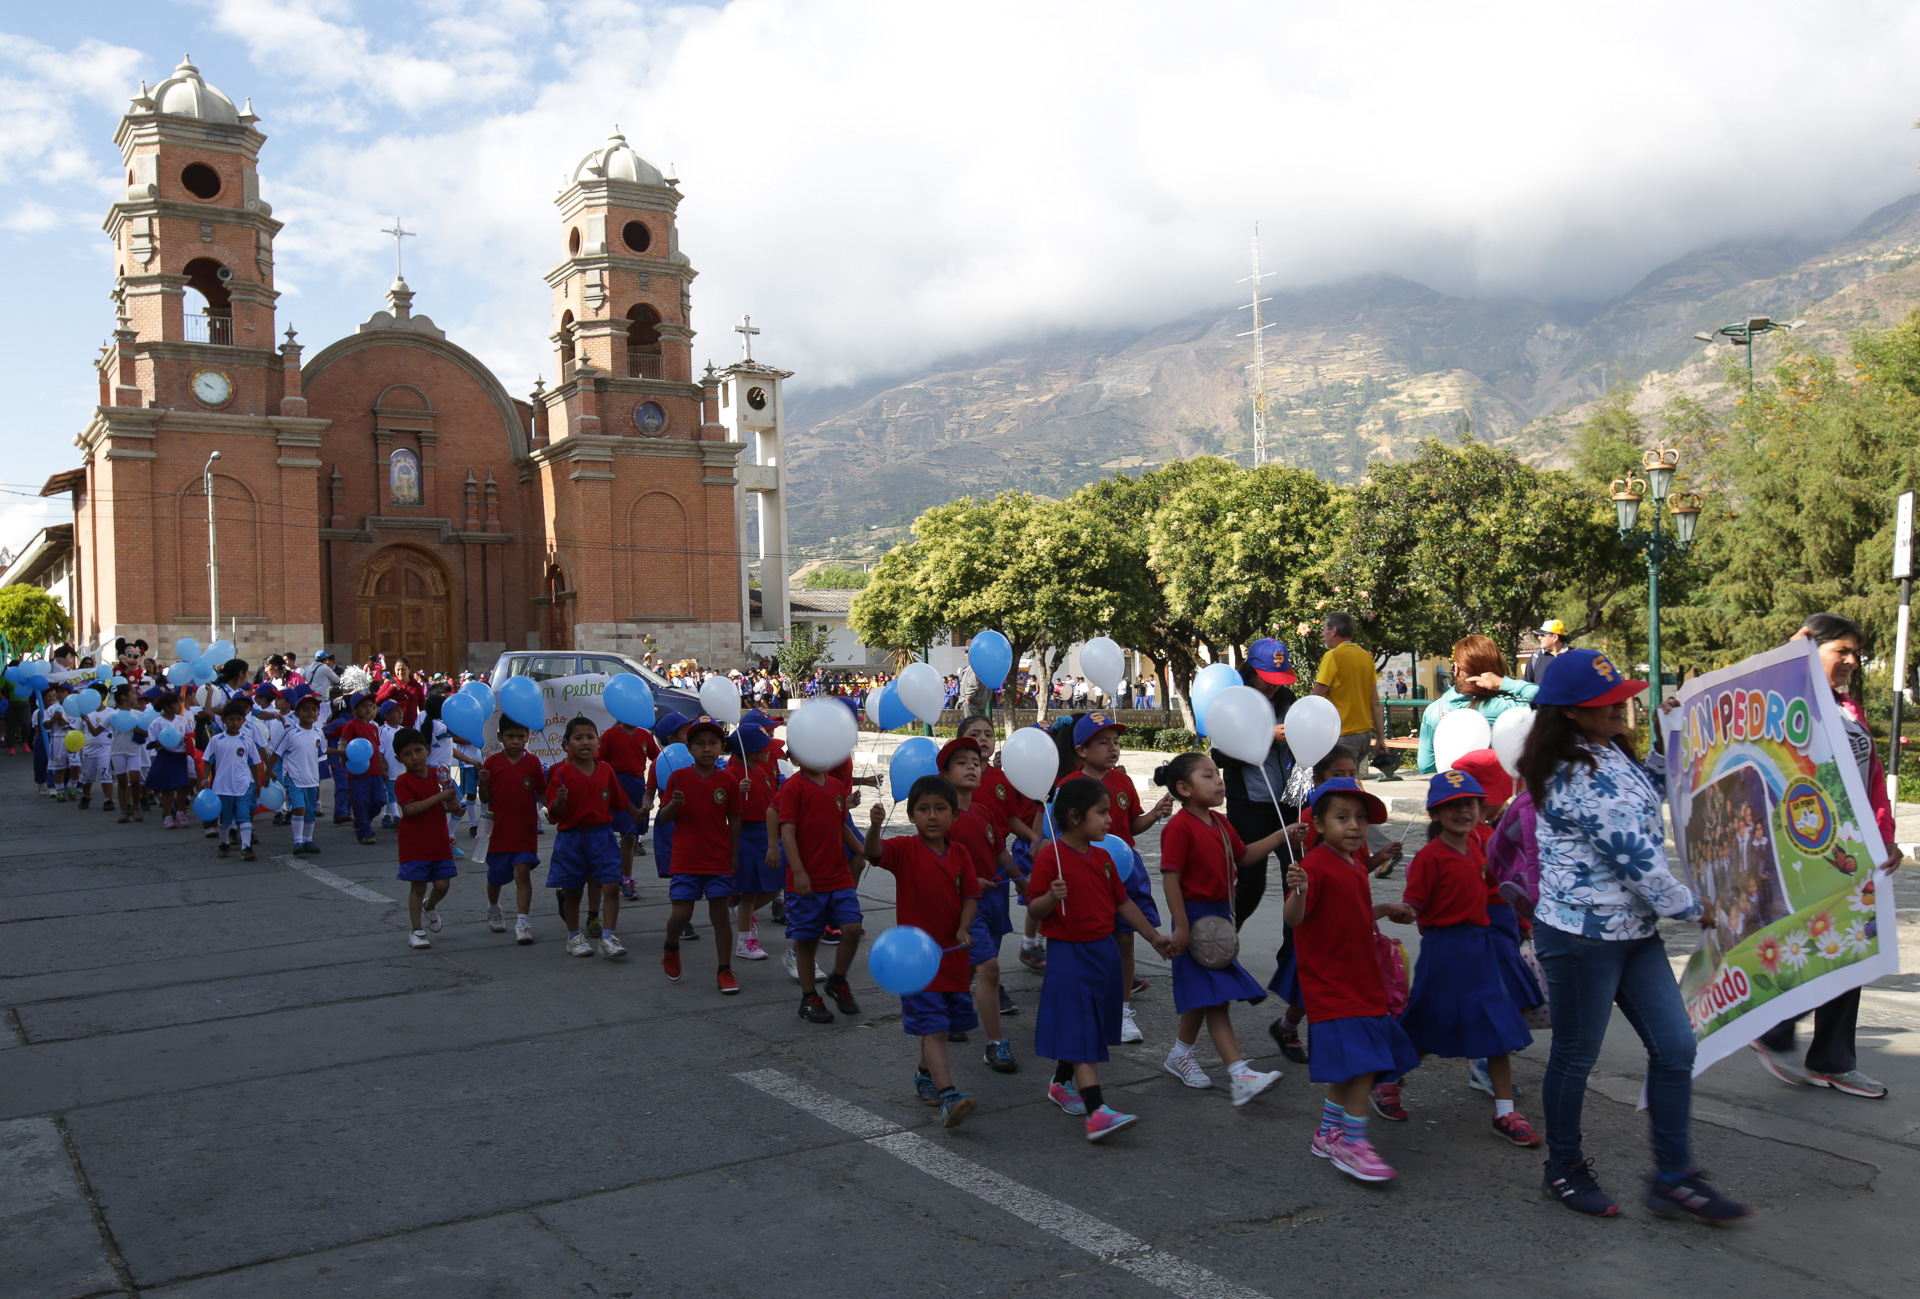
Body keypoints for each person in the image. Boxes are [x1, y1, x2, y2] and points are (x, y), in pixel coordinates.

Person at [1517, 648, 1748, 1221]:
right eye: (1607, 701)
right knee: (1575, 1057)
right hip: (1581, 939)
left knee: (1675, 1049)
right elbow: (1636, 863)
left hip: (1633, 933)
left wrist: (1669, 739)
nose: (1623, 704)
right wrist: (1697, 907)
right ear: (1570, 712)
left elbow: (1646, 789)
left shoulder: (1606, 751)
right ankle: (1563, 1169)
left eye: (1622, 694)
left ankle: (1673, 1177)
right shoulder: (1574, 774)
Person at [1753, 612, 1904, 1098]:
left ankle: (1829, 1060)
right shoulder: (1788, 703)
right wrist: (1788, 653)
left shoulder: (1850, 711)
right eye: (1841, 650)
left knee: (1853, 952)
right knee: (1821, 947)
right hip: (1805, 851)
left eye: (1856, 653)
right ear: (1809, 649)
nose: (1852, 661)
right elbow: (1753, 690)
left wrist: (1884, 837)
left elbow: (1872, 781)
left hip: (1854, 855)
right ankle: (1776, 1028)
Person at [1282, 777, 1420, 1183]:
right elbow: (1295, 919)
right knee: (1364, 1064)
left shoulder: (1355, 864)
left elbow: (1354, 913)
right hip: (1332, 983)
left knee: (1352, 1066)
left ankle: (1328, 1133)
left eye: (1360, 818)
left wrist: (1387, 907)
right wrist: (1299, 892)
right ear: (1320, 824)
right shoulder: (1313, 866)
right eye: (1343, 817)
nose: (1355, 825)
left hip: (1362, 979)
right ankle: (1354, 1143)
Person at [1027, 776, 1175, 1143]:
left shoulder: (1105, 857)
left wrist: (1155, 937)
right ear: (1075, 817)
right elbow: (1034, 906)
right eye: (1102, 812)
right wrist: (1050, 895)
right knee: (1081, 1028)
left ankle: (1061, 1083)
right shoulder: (1051, 856)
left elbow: (1123, 903)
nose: (1110, 820)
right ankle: (1097, 1112)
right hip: (1068, 954)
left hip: (1102, 952)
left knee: (1088, 1022)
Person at [1399, 771, 1542, 1146]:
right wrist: (1399, 912)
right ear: (1435, 813)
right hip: (1443, 952)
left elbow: (1498, 887)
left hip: (1480, 948)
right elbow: (1414, 901)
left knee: (1497, 1027)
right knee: (1425, 1025)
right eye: (1453, 804)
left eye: (1471, 803)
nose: (1464, 810)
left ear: (1481, 809)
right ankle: (1386, 1081)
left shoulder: (1480, 848)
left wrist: (1524, 918)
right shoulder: (1430, 857)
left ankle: (1505, 1111)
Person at [1153, 751, 1289, 1105]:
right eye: (1208, 775)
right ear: (1184, 788)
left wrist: (1282, 835)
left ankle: (1180, 1055)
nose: (1219, 781)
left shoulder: (1221, 823)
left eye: (1217, 775)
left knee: (1206, 997)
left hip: (1218, 920)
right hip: (1196, 923)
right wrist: (1181, 925)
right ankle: (1239, 1072)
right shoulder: (1180, 828)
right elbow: (1171, 878)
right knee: (1216, 1001)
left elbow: (1243, 856)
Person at [863, 777, 983, 1128]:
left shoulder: (961, 855)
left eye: (941, 809)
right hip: (914, 962)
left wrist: (964, 926)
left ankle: (923, 1075)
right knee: (934, 1026)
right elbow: (873, 852)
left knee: (940, 1027)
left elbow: (971, 896)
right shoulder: (903, 849)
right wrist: (872, 827)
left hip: (952, 957)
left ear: (954, 815)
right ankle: (949, 1095)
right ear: (912, 816)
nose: (933, 816)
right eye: (924, 809)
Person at [940, 737, 1018, 1072]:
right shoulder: (942, 816)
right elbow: (938, 864)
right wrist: (968, 884)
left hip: (992, 900)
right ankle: (995, 1043)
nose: (972, 766)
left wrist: (1024, 880)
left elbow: (1000, 851)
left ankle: (952, 1013)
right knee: (989, 967)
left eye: (976, 761)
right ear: (944, 774)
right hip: (963, 906)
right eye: (962, 762)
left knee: (970, 965)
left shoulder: (985, 811)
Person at [777, 743, 867, 1022]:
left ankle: (838, 980)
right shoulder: (793, 788)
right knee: (807, 940)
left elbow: (841, 825)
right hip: (806, 879)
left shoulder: (837, 787)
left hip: (837, 875)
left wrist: (863, 850)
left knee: (852, 927)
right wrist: (799, 870)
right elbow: (787, 831)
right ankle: (809, 998)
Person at [1213, 637, 1299, 926]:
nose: (1274, 686)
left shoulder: (1288, 700)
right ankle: (1221, 940)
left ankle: (1292, 960)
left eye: (1279, 679)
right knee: (1250, 886)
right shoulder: (1233, 703)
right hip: (1249, 807)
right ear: (1251, 672)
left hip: (1288, 804)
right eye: (1267, 679)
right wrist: (1266, 738)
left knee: (1297, 882)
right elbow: (1220, 757)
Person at [657, 716, 744, 992]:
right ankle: (671, 945)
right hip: (686, 858)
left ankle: (725, 969)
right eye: (700, 744)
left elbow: (735, 818)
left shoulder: (728, 780)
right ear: (689, 747)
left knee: (720, 915)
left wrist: (733, 853)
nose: (707, 749)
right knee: (681, 914)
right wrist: (672, 804)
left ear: (721, 747)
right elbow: (664, 818)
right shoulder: (678, 778)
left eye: (713, 743)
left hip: (718, 857)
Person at [542, 716, 630, 959]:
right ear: (567, 743)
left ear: (598, 742)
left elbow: (621, 801)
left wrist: (639, 812)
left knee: (611, 885)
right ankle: (574, 937)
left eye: (590, 737)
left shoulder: (606, 770)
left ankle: (608, 936)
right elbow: (554, 815)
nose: (585, 742)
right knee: (573, 891)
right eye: (578, 737)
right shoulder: (561, 774)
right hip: (572, 839)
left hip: (602, 837)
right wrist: (559, 801)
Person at [1416, 635, 1539, 774]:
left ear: (1456, 669)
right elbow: (1539, 695)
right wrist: (1502, 683)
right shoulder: (1503, 706)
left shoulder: (1433, 710)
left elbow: (1425, 765)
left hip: (1457, 789)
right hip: (1497, 790)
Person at [392, 725, 459, 950]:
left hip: (439, 841)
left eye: (418, 750)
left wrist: (453, 803)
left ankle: (430, 905)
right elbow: (409, 810)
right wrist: (439, 796)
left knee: (442, 884)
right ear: (398, 758)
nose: (415, 757)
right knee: (418, 885)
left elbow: (456, 808)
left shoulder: (439, 775)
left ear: (428, 749)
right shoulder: (403, 782)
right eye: (407, 754)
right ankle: (416, 929)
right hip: (414, 844)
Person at [481, 717, 545, 944]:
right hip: (498, 831)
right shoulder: (492, 763)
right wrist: (482, 783)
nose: (516, 741)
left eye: (521, 736)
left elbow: (542, 793)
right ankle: (494, 905)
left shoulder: (534, 763)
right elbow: (485, 798)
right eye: (510, 736)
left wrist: (555, 808)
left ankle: (522, 921)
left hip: (525, 829)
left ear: (528, 737)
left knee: (522, 872)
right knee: (496, 876)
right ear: (500, 738)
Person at [728, 725, 784, 962]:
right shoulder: (733, 773)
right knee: (750, 890)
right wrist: (737, 793)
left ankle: (744, 912)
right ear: (750, 751)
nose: (770, 751)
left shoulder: (760, 771)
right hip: (746, 837)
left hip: (765, 835)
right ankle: (743, 942)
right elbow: (725, 809)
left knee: (774, 885)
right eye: (765, 747)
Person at [1311, 612, 1387, 771]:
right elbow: (1375, 702)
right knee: (1350, 781)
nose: (1323, 634)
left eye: (1324, 629)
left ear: (1333, 630)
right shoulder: (1365, 657)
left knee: (1335, 783)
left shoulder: (1332, 656)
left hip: (1342, 735)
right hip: (1364, 736)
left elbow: (1315, 697)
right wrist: (1380, 738)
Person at [597, 712, 658, 903]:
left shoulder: (645, 735)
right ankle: (615, 876)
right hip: (615, 784)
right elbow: (597, 759)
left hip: (637, 785)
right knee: (617, 832)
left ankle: (625, 875)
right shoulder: (610, 735)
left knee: (632, 834)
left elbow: (657, 758)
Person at [203, 697, 267, 861]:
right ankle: (224, 843)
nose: (235, 722)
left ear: (243, 721)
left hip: (243, 785)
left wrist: (257, 783)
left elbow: (253, 763)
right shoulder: (216, 740)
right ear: (223, 720)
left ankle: (246, 847)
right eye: (231, 719)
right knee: (224, 819)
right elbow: (208, 761)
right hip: (222, 786)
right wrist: (204, 780)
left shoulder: (247, 740)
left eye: (239, 719)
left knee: (244, 816)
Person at [272, 690, 328, 854]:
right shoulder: (290, 732)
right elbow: (276, 753)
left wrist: (341, 752)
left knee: (310, 812)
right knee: (299, 808)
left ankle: (308, 840)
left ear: (318, 714)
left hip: (312, 779)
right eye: (305, 709)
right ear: (297, 713)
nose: (310, 713)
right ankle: (298, 841)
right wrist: (269, 773)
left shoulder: (318, 732)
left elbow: (322, 751)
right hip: (294, 778)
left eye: (314, 710)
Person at [333, 692, 385, 845]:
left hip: (375, 772)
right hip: (358, 773)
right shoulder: (350, 725)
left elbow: (377, 749)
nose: (369, 709)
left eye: (371, 706)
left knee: (379, 801)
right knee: (361, 802)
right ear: (354, 710)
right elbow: (343, 743)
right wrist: (343, 755)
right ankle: (364, 832)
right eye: (364, 706)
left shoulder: (373, 727)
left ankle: (363, 822)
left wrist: (383, 768)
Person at [1523, 620, 1571, 685]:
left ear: (1555, 637)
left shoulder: (1576, 657)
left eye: (1543, 635)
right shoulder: (1536, 657)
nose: (1539, 638)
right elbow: (1526, 686)